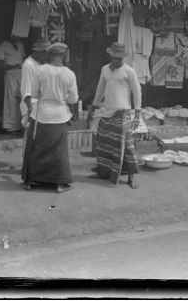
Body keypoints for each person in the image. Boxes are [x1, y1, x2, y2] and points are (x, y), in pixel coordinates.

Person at [22, 42, 78, 192]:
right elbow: (73, 99)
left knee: (36, 149)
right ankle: (60, 184)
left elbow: (33, 93)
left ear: (50, 55)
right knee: (58, 150)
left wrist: (45, 93)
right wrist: (63, 96)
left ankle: (30, 181)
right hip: (59, 114)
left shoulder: (40, 70)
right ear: (63, 56)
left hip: (41, 113)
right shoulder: (69, 73)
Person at [89, 42, 142, 189]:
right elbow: (100, 89)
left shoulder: (129, 71)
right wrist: (94, 106)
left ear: (122, 58)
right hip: (107, 112)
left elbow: (137, 93)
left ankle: (131, 176)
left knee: (126, 145)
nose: (116, 60)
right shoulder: (105, 69)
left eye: (119, 58)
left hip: (122, 112)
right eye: (114, 57)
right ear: (110, 55)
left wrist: (137, 115)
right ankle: (104, 172)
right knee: (103, 140)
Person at [20, 38, 51, 157]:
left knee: (36, 137)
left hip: (38, 105)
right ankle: (26, 163)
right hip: (31, 105)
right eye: (46, 53)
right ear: (39, 52)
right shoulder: (29, 65)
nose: (47, 56)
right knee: (30, 136)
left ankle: (32, 162)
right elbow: (26, 91)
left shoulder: (38, 63)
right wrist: (30, 109)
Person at [0, 34, 25, 132]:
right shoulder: (2, 46)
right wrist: (12, 67)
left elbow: (22, 59)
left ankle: (21, 125)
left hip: (21, 75)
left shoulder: (20, 45)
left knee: (22, 99)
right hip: (10, 75)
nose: (16, 37)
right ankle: (10, 127)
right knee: (11, 100)